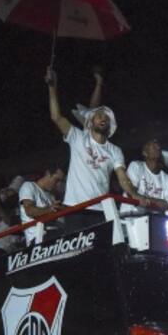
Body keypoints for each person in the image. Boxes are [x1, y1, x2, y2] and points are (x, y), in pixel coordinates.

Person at [45, 66, 148, 227]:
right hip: (75, 208)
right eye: (99, 115)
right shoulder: (77, 137)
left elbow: (122, 178)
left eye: (106, 117)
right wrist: (52, 87)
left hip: (101, 209)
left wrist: (134, 194)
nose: (103, 118)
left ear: (110, 124)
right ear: (90, 122)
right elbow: (56, 117)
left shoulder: (115, 150)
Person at [120, 138, 168, 215]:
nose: (157, 146)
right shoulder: (136, 166)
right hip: (130, 217)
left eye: (158, 146)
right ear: (145, 153)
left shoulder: (167, 178)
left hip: (154, 221)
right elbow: (130, 193)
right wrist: (155, 201)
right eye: (153, 145)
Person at [17, 166, 65, 245]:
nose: (58, 185)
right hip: (38, 237)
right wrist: (50, 209)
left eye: (61, 182)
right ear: (48, 174)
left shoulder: (52, 196)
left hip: (54, 232)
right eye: (56, 180)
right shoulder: (29, 186)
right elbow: (29, 211)